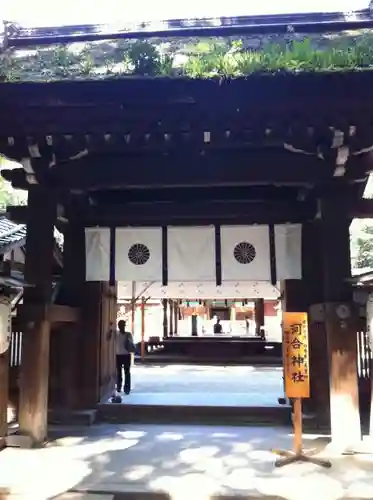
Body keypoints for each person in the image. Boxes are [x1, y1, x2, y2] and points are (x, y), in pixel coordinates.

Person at [116, 320, 135, 394]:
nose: (122, 327)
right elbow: (108, 338)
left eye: (123, 325)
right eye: (120, 325)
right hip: (118, 355)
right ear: (118, 326)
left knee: (127, 372)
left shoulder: (128, 334)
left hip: (126, 355)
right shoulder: (116, 334)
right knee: (119, 372)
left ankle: (127, 389)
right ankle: (119, 387)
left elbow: (131, 343)